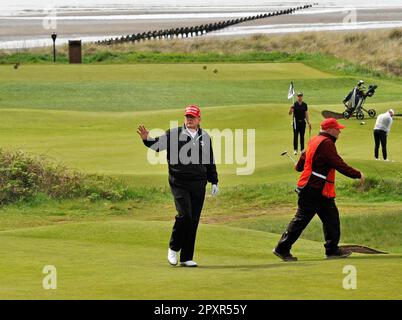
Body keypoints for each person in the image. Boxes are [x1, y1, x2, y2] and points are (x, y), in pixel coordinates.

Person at [137, 105, 218, 267]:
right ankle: (173, 248)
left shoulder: (204, 137)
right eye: (187, 117)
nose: (189, 120)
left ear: (199, 119)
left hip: (198, 183)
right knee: (184, 215)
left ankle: (186, 257)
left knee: (194, 219)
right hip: (179, 182)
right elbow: (157, 146)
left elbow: (210, 160)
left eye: (192, 117)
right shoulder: (173, 134)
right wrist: (147, 139)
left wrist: (214, 180)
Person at [273, 118, 365, 261]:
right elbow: (338, 163)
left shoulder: (314, 140)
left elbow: (300, 164)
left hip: (317, 189)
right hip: (314, 189)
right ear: (329, 130)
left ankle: (332, 250)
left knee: (331, 219)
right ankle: (282, 248)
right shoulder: (327, 143)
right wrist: (357, 174)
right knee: (301, 220)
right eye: (337, 129)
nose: (339, 131)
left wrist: (300, 167)